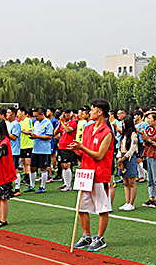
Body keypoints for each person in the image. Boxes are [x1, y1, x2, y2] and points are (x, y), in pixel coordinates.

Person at [70, 99, 115, 252]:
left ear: (100, 112)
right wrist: (77, 149)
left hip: (100, 174)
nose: (89, 112)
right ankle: (86, 236)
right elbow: (84, 150)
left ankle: (100, 238)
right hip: (85, 173)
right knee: (81, 207)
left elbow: (99, 155)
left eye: (92, 109)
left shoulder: (107, 132)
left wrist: (82, 147)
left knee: (102, 208)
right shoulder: (88, 128)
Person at [140, 111, 156, 207]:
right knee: (150, 179)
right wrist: (145, 140)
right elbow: (145, 144)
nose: (148, 120)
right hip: (148, 156)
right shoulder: (149, 131)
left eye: (150, 118)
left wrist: (149, 140)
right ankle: (151, 198)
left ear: (155, 120)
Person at [116, 115, 140, 210]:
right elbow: (120, 147)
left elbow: (132, 149)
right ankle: (127, 202)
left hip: (129, 158)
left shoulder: (134, 134)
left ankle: (131, 203)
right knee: (125, 182)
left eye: (124, 123)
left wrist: (123, 159)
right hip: (122, 157)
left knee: (132, 182)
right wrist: (119, 158)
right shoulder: (124, 135)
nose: (122, 125)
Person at [28, 107, 54, 193]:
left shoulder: (48, 123)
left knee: (43, 168)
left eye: (36, 116)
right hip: (35, 149)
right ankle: (32, 186)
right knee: (32, 168)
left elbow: (49, 136)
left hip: (44, 150)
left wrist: (37, 137)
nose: (35, 118)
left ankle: (43, 187)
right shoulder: (36, 123)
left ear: (42, 114)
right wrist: (31, 134)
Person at [56, 108, 78, 192]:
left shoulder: (73, 123)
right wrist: (59, 124)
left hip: (68, 146)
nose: (67, 115)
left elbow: (68, 130)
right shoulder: (62, 124)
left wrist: (62, 123)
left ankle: (68, 185)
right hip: (61, 146)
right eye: (65, 113)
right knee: (62, 165)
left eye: (68, 113)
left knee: (67, 165)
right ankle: (65, 183)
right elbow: (55, 133)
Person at [18, 108, 34, 190]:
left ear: (23, 112)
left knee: (28, 162)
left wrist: (22, 131)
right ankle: (25, 176)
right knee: (23, 161)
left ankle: (29, 178)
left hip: (28, 144)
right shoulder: (20, 122)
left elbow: (30, 131)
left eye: (19, 112)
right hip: (21, 144)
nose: (17, 114)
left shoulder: (28, 120)